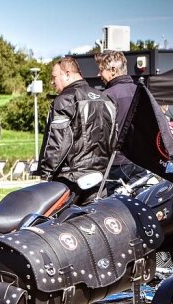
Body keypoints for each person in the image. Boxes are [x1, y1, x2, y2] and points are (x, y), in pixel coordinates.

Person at [36, 56, 117, 198]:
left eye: (54, 76)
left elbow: (58, 143)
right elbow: (115, 140)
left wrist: (46, 174)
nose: (52, 81)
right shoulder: (106, 100)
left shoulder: (64, 100)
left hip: (70, 181)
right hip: (101, 181)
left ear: (67, 74)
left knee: (57, 220)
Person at [95, 50, 148, 186]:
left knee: (114, 205)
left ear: (113, 70)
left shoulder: (107, 96)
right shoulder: (142, 92)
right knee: (139, 204)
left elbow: (100, 135)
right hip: (142, 162)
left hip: (116, 165)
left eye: (101, 70)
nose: (98, 74)